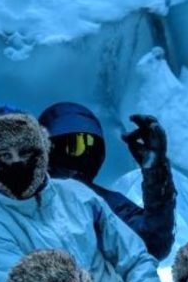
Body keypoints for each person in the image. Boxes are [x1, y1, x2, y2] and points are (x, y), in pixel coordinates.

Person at [0, 109, 165, 282]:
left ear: (42, 153)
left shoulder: (77, 195)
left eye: (25, 152)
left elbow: (134, 258)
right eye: (5, 155)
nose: (16, 163)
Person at [39, 102, 176, 261]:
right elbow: (154, 243)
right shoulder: (23, 200)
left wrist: (156, 172)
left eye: (89, 145)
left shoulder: (106, 202)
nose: (82, 154)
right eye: (73, 146)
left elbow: (152, 244)